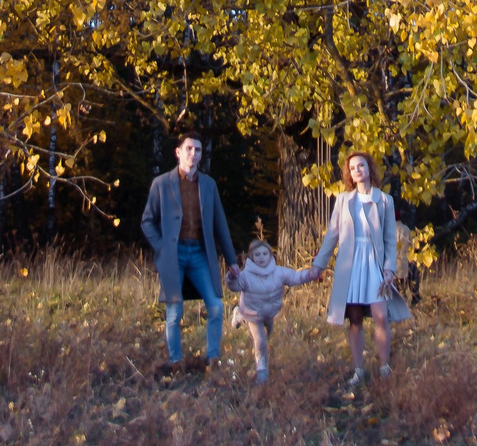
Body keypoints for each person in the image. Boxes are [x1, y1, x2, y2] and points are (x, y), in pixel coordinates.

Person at [139, 134, 239, 369]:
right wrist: (161, 246)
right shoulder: (162, 183)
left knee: (216, 305)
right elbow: (147, 221)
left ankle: (213, 359)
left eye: (198, 150)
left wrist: (232, 260)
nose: (193, 154)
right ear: (178, 152)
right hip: (173, 256)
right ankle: (176, 362)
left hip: (199, 254)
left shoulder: (208, 185)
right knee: (175, 311)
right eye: (189, 149)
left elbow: (220, 224)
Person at [308, 150, 407, 386]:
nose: (357, 171)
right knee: (355, 319)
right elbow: (332, 236)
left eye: (360, 166)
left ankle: (384, 367)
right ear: (349, 174)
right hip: (350, 266)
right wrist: (318, 266)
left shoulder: (384, 200)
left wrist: (389, 269)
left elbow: (389, 239)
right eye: (352, 168)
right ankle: (358, 370)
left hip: (374, 264)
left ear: (369, 168)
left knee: (381, 316)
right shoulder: (343, 201)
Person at [223, 237, 316, 383]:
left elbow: (295, 277)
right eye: (257, 255)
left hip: (269, 313)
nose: (261, 257)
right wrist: (231, 277)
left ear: (270, 255)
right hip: (252, 314)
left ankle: (238, 314)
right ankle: (261, 371)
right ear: (251, 257)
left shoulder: (279, 272)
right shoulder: (246, 276)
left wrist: (310, 274)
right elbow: (234, 286)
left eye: (264, 254)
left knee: (268, 335)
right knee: (260, 341)